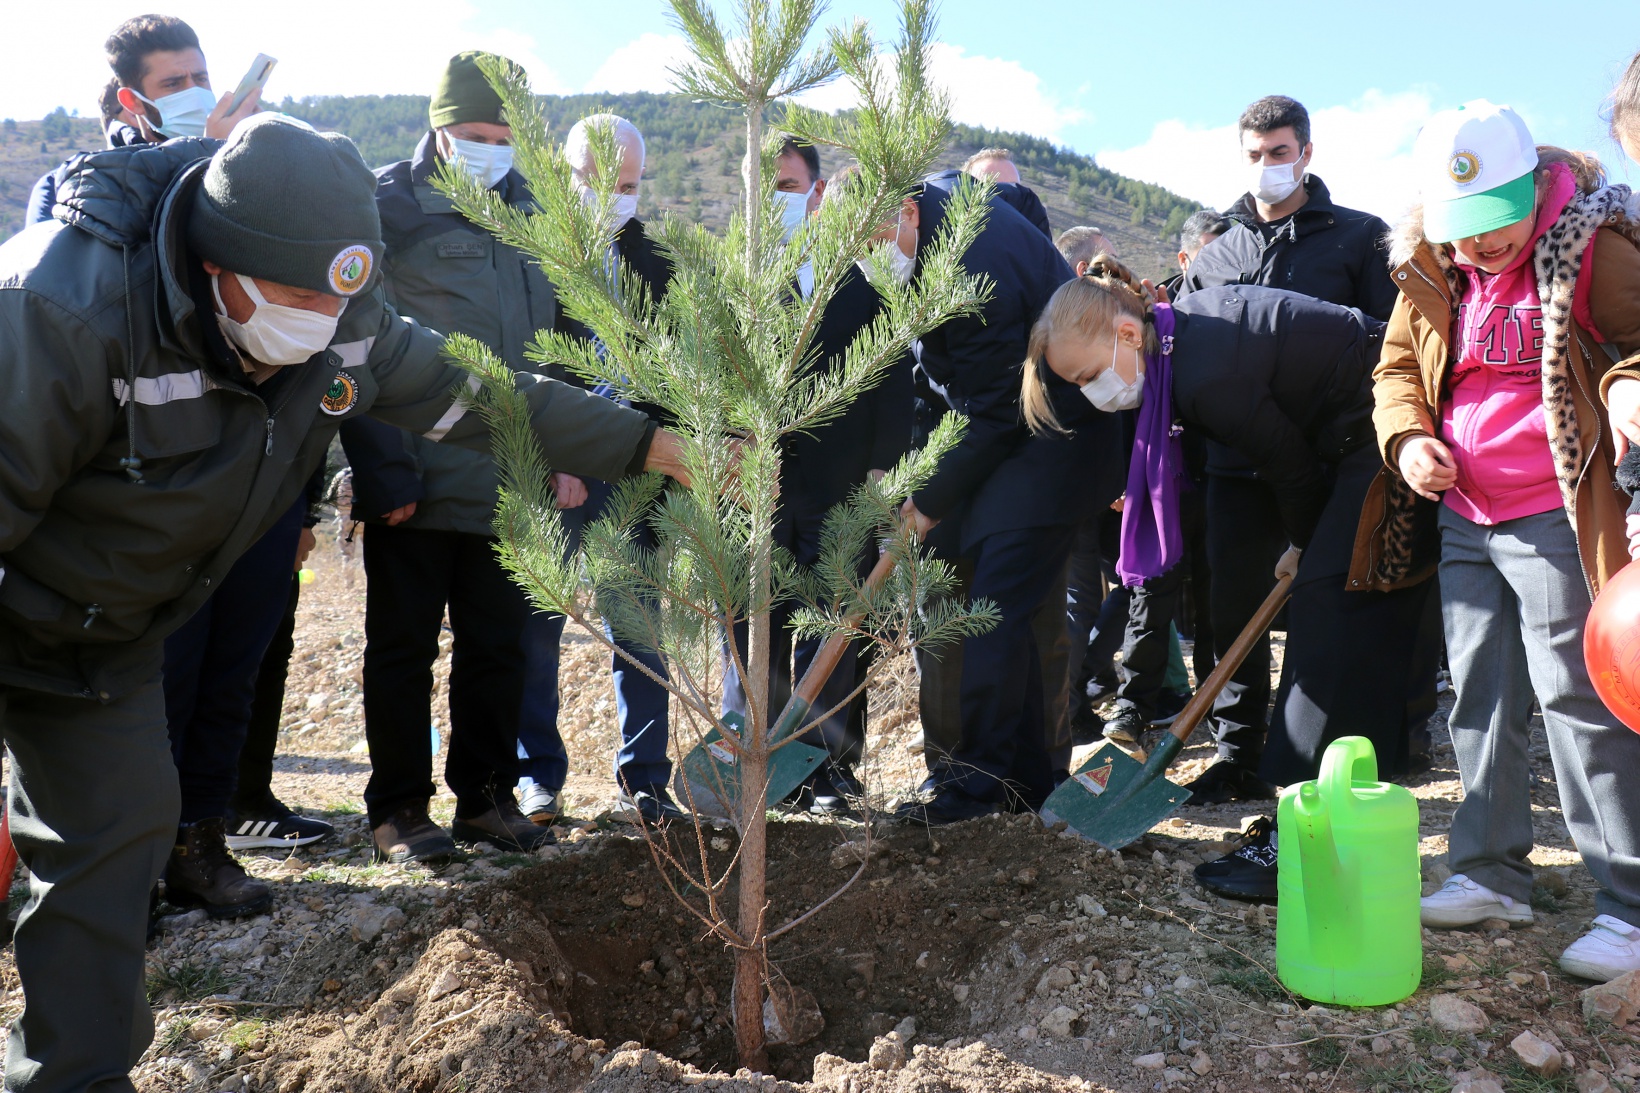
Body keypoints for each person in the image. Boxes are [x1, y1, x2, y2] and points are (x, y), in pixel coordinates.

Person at [0, 113, 690, 1091]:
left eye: (335, 301)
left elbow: (474, 391)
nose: (314, 326)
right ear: (211, 267)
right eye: (289, 299)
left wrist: (643, 445)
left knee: (117, 839)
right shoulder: (60, 311)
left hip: (100, 643)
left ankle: (73, 1077)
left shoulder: (335, 321)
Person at [1022, 261, 1439, 895]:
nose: (1090, 392)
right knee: (1329, 613)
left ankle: (1305, 834)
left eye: (1088, 375)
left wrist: (1303, 543)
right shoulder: (1178, 347)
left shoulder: (1205, 368)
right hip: (1339, 432)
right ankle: (1324, 808)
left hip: (1382, 423)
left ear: (1128, 336)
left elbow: (1291, 467)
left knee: (1327, 616)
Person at [1375, 100, 1640, 983]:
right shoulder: (1432, 266)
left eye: (1493, 225)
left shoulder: (1594, 248)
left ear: (1533, 189)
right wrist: (1411, 439)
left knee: (1579, 701)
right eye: (1461, 230)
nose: (1478, 247)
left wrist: (1632, 385)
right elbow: (1398, 370)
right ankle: (1490, 872)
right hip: (1467, 516)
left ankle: (1629, 903)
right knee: (1480, 696)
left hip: (1556, 514)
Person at [340, 52, 561, 863]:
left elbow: (553, 351)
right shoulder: (389, 206)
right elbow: (359, 340)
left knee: (499, 647)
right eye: (475, 132)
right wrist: (383, 466)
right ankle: (398, 808)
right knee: (402, 648)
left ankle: (487, 799)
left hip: (510, 480)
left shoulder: (534, 213)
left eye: (505, 135)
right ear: (439, 126)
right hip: (419, 475)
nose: (491, 149)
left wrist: (562, 454)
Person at [1178, 94, 1423, 805]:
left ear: (1307, 154)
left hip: (1334, 460)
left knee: (1330, 608)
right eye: (1254, 155)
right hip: (1237, 464)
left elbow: (1392, 342)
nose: (1267, 167)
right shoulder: (1218, 253)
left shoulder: (1359, 239)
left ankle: (1333, 750)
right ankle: (1236, 751)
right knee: (1231, 611)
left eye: (1279, 153)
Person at [879, 170, 1123, 824]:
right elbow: (940, 383)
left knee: (993, 609)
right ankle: (1018, 781)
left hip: (1056, 438)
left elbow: (990, 410)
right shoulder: (934, 225)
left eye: (873, 235)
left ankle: (982, 787)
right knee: (987, 607)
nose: (870, 253)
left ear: (905, 210)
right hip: (1014, 434)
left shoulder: (969, 259)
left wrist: (928, 500)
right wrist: (917, 478)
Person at [717, 141, 913, 815]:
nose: (774, 194)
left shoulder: (862, 276)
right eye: (760, 183)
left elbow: (891, 377)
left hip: (841, 482)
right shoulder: (726, 278)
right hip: (755, 489)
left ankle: (827, 772)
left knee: (836, 628)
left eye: (786, 183)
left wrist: (884, 468)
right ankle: (752, 765)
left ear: (818, 191)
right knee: (753, 629)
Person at [512, 113, 690, 826]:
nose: (612, 196)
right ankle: (534, 777)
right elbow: (525, 361)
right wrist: (557, 456)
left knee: (640, 626)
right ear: (563, 175)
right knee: (537, 622)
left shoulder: (659, 261)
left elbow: (681, 368)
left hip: (642, 465)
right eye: (595, 180)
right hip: (556, 462)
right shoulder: (533, 254)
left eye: (626, 184)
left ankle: (645, 778)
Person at [226, 469, 334, 850]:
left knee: (266, 659)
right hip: (200, 514)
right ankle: (220, 812)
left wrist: (302, 520)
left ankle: (241, 807)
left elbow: (308, 431)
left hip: (273, 517)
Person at [25, 78, 145, 226]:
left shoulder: (174, 169)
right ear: (131, 111)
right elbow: (44, 245)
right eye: (171, 86)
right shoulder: (56, 186)